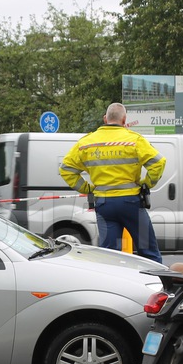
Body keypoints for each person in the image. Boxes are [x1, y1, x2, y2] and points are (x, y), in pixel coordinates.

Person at [59, 102, 166, 262]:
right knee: (148, 251)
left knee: (109, 256)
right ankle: (158, 284)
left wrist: (88, 188)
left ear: (105, 119)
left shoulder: (86, 143)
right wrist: (147, 183)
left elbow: (66, 169)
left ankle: (112, 286)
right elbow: (159, 162)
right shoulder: (134, 140)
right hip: (131, 204)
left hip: (104, 205)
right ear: (124, 120)